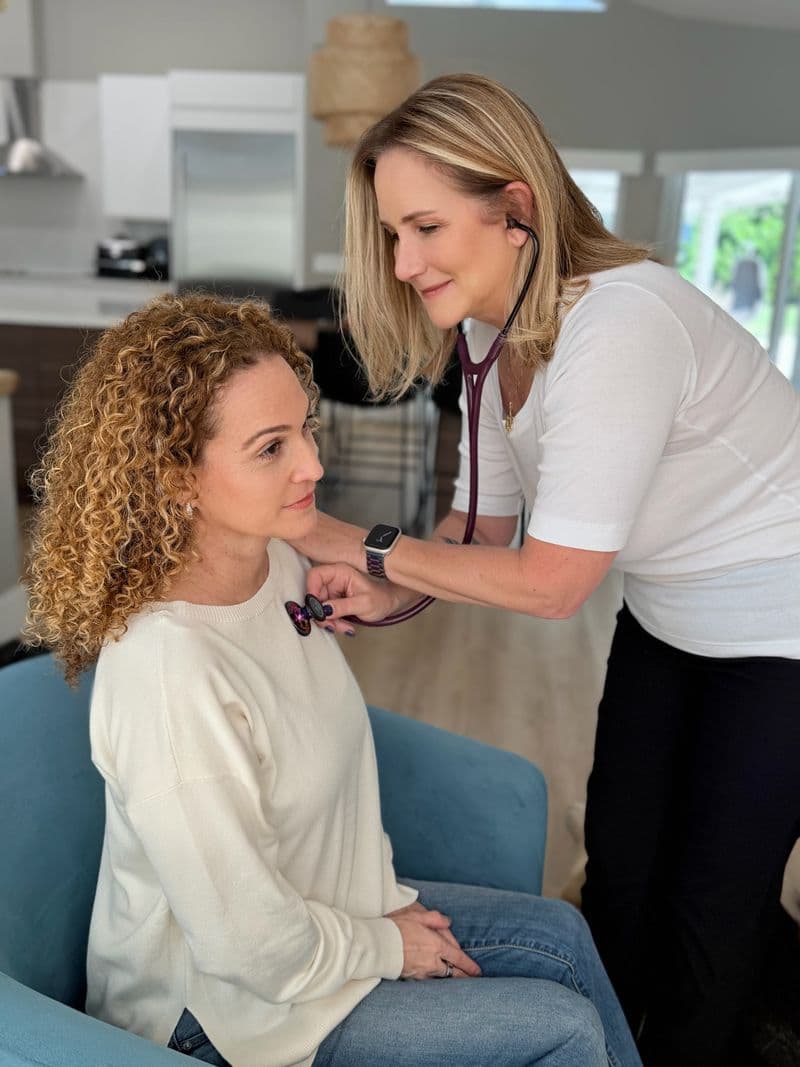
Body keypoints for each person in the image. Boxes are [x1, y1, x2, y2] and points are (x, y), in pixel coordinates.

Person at [292, 73, 800, 1067]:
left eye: (424, 227)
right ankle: (614, 1045)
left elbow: (550, 582)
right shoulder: (491, 336)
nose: (403, 262)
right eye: (394, 234)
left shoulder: (618, 325)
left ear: (515, 209)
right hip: (667, 612)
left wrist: (348, 538)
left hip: (780, 632)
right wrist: (391, 590)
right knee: (617, 864)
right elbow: (480, 531)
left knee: (710, 900)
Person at [23, 292, 640, 1067]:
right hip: (228, 1012)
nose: (314, 463)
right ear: (177, 478)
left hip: (328, 915)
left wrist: (382, 915)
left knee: (564, 938)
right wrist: (388, 944)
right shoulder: (168, 676)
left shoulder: (277, 564)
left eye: (305, 429)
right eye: (270, 447)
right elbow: (249, 946)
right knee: (561, 1027)